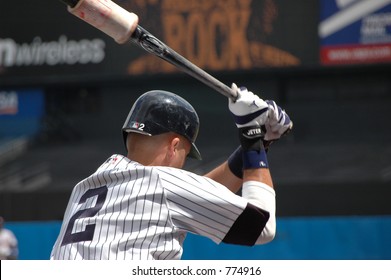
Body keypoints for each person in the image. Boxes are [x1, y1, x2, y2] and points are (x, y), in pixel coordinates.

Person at [50, 84, 292, 260]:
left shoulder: (90, 184)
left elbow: (195, 195)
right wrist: (251, 134)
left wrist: (260, 143)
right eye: (185, 155)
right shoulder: (161, 184)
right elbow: (262, 227)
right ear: (174, 146)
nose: (183, 164)